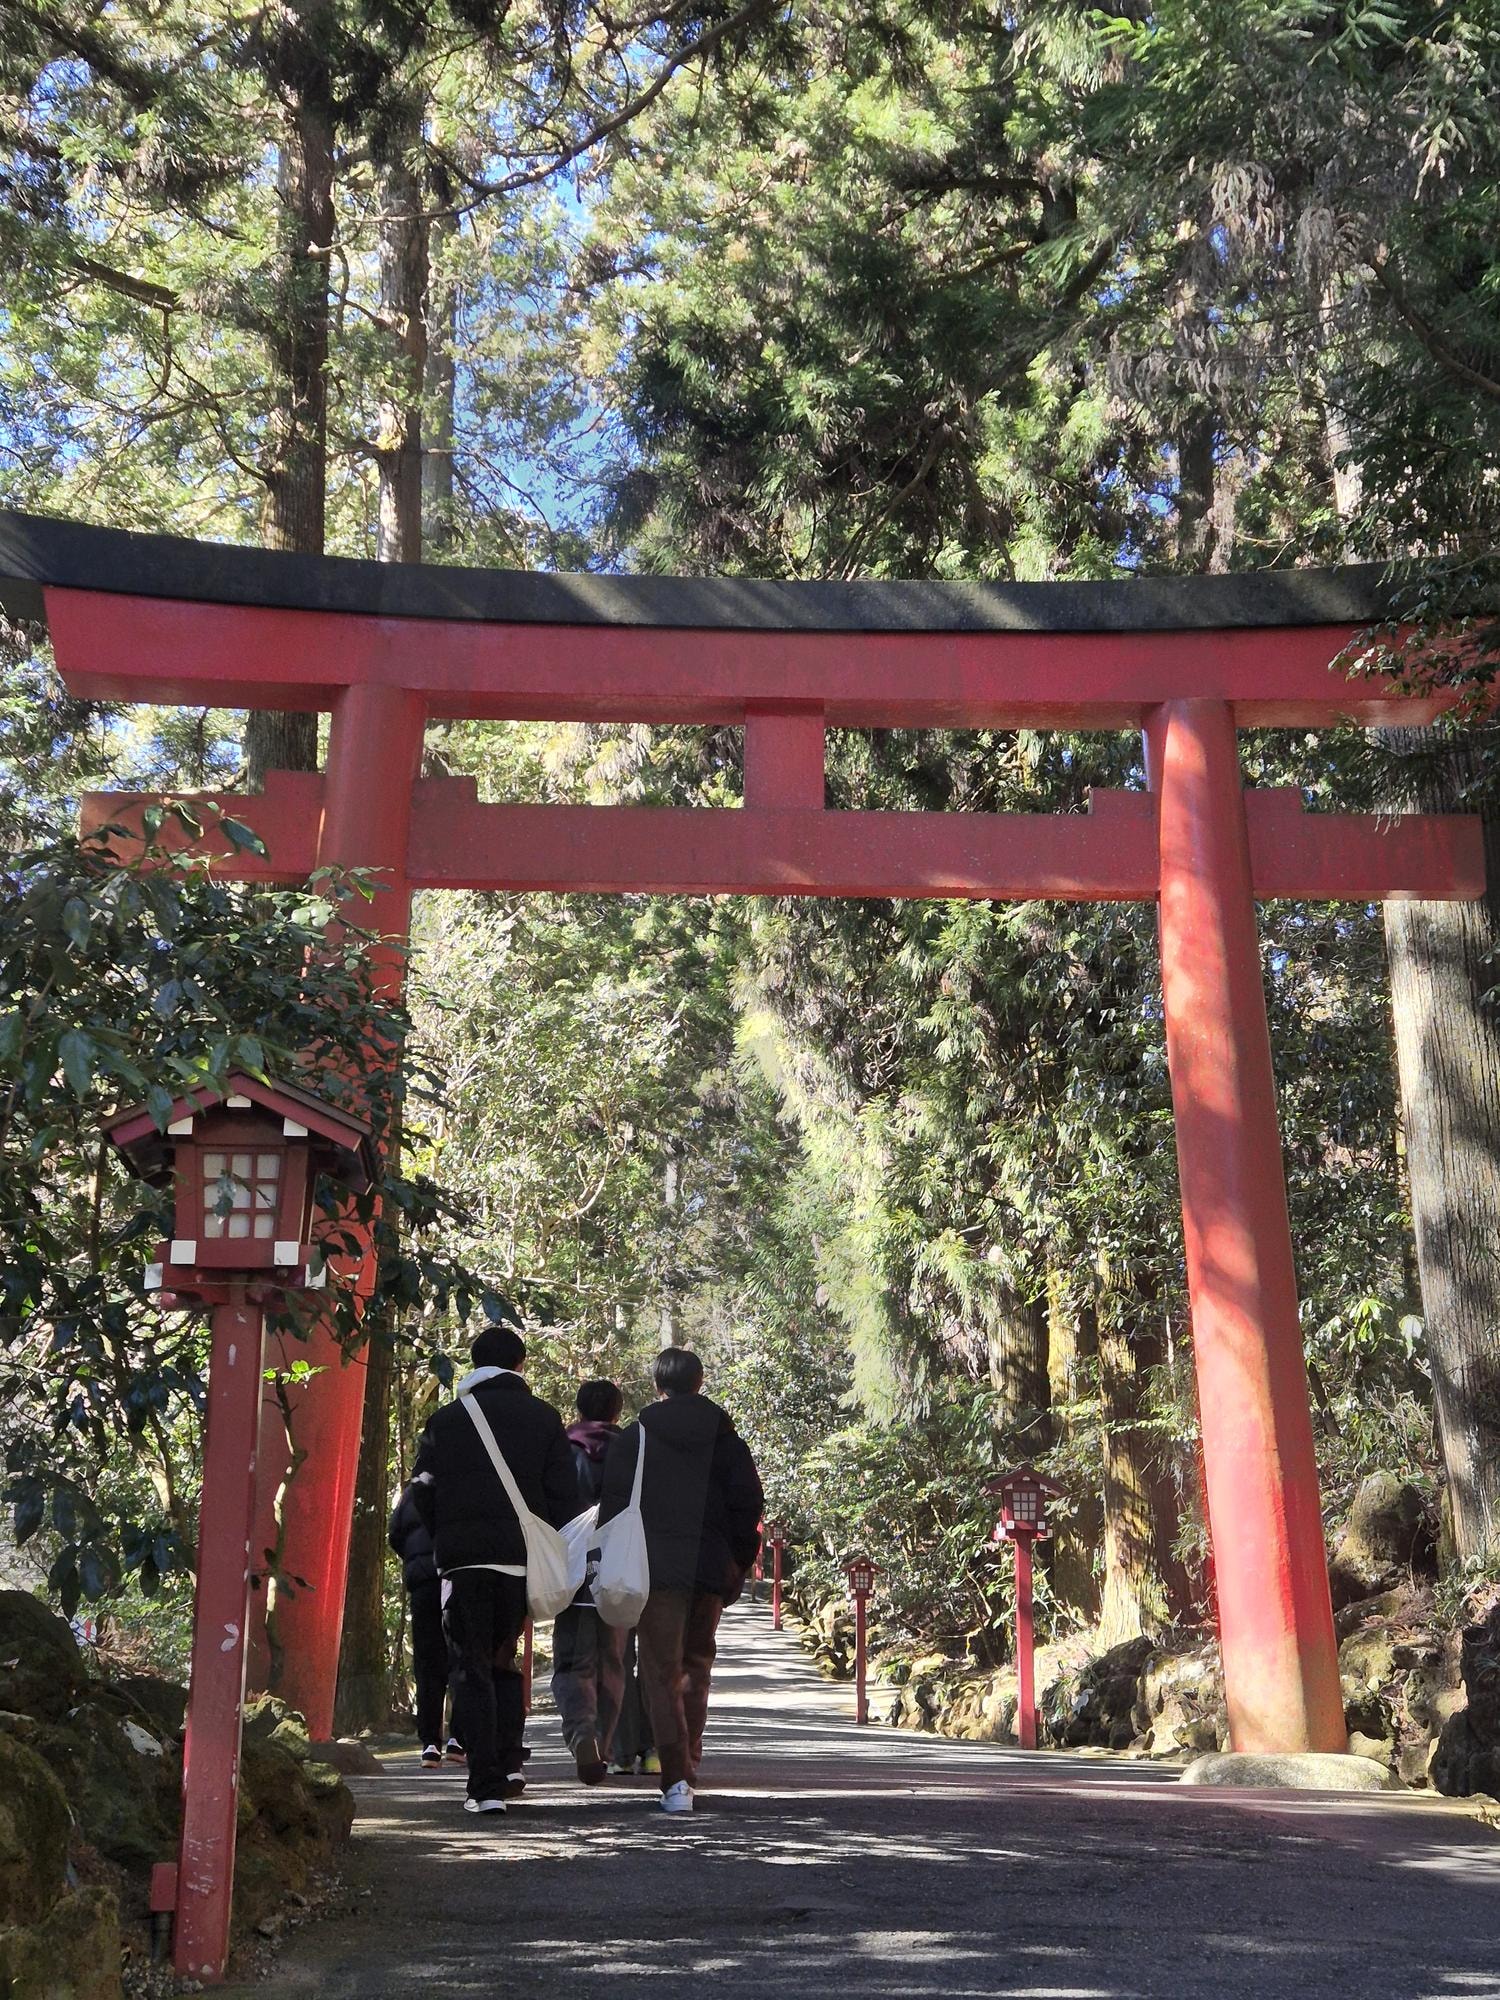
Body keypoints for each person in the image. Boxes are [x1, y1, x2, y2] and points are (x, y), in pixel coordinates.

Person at [411, 1320, 578, 1817]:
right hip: (519, 1559)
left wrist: (446, 1531)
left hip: (464, 1560)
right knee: (505, 1660)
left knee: (470, 1666)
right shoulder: (545, 1419)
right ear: (520, 1365)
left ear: (472, 1362)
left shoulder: (447, 1420)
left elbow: (422, 1488)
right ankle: (510, 1765)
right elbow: (563, 1499)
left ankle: (483, 1787)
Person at [597, 1347, 763, 1816]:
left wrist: (609, 1562)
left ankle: (676, 1782)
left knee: (660, 1673)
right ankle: (688, 1763)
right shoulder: (725, 1436)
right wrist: (736, 1564)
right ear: (701, 1380)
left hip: (655, 1569)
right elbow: (748, 1504)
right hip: (709, 1569)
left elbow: (613, 1505)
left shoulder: (638, 1436)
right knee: (697, 1667)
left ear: (657, 1385)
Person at [550, 1379, 628, 1784]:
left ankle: (582, 1733)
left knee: (573, 1662)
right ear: (617, 1412)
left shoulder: (562, 1449)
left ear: (579, 1409)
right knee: (612, 1662)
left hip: (571, 1570)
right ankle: (604, 1742)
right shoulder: (632, 1451)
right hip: (617, 1570)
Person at [387, 1478, 462, 1767]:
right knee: (460, 1656)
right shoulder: (459, 1484)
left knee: (427, 1662)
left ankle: (430, 1742)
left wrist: (414, 1560)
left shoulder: (410, 1493)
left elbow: (395, 1534)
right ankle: (459, 1737)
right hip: (454, 1577)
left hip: (422, 1583)